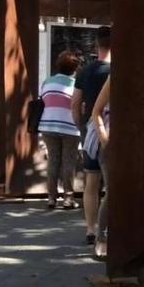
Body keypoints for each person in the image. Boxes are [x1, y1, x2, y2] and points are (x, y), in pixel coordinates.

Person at [72, 26, 111, 246]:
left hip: (90, 131)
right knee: (112, 188)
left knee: (91, 182)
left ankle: (90, 228)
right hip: (112, 132)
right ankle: (104, 231)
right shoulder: (118, 71)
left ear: (97, 44)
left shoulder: (85, 71)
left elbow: (75, 103)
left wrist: (81, 127)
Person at [39, 51, 81, 210]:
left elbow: (42, 100)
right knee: (68, 162)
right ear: (75, 68)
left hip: (48, 125)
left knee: (53, 160)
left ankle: (51, 197)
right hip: (70, 127)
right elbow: (78, 105)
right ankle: (68, 198)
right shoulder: (75, 84)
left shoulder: (47, 82)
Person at [90, 77, 111, 258]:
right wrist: (105, 140)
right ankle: (102, 237)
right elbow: (96, 111)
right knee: (113, 192)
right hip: (111, 145)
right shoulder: (114, 77)